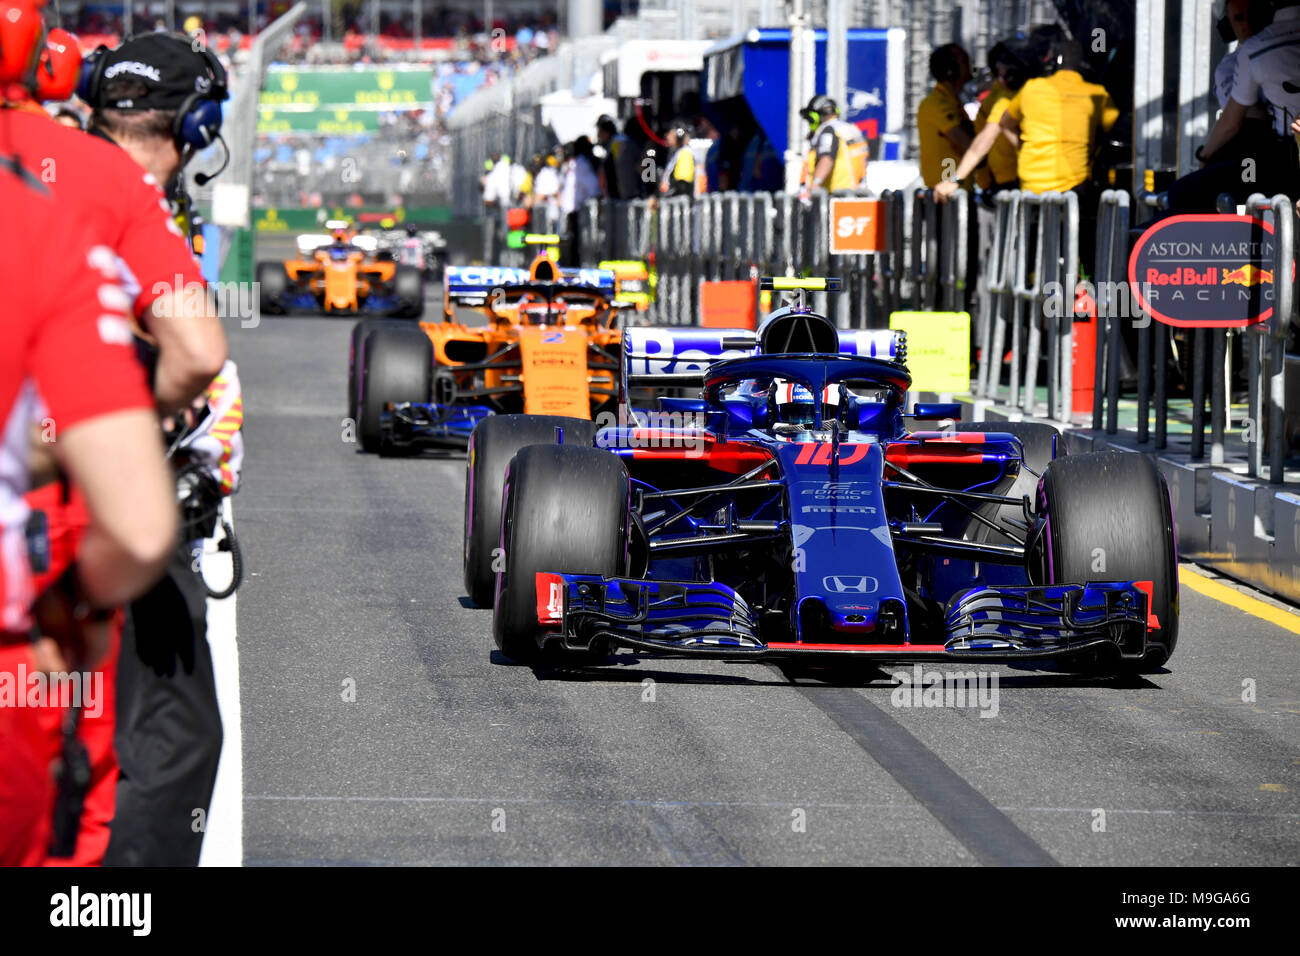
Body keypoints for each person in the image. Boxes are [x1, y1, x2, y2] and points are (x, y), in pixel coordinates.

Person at [81, 32, 237, 867]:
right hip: (121, 512)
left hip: (47, 510)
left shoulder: (47, 181)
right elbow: (198, 353)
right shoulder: (133, 203)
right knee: (177, 738)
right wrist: (150, 432)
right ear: (195, 122)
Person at [935, 26, 1119, 267]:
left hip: (1031, 190)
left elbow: (991, 135)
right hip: (1075, 192)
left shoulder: (1029, 92)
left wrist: (956, 178)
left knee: (1031, 261)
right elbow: (1113, 133)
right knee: (1080, 256)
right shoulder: (1096, 94)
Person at [1196, 1, 1300, 209]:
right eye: (1238, 18)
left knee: (1182, 192)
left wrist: (1204, 156)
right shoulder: (1229, 67)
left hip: (1277, 159)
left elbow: (1236, 119)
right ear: (1227, 26)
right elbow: (1242, 120)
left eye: (1252, 14)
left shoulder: (1258, 49)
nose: (1246, 24)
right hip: (1256, 158)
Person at [917, 44, 976, 190]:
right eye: (964, 61)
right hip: (947, 194)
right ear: (951, 69)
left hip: (958, 190)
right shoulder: (937, 104)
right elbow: (965, 143)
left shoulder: (953, 101)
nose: (970, 64)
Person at [796, 95, 867, 197]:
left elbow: (827, 159)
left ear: (815, 117)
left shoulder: (828, 131)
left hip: (837, 196)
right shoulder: (848, 129)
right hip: (856, 194)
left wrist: (814, 185)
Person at [560, 136, 600, 266]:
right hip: (571, 214)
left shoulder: (580, 165)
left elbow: (593, 188)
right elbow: (592, 188)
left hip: (577, 214)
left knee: (574, 251)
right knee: (568, 250)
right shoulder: (577, 164)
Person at [659, 121, 695, 197]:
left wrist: (666, 196)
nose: (667, 136)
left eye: (670, 133)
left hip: (680, 204)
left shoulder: (685, 153)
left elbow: (682, 184)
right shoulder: (678, 152)